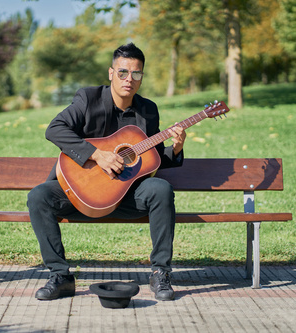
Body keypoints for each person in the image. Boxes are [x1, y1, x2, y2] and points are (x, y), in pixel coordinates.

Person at [27, 42, 187, 301]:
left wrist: (176, 149)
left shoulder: (148, 110)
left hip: (126, 195)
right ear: (111, 73)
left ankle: (160, 273)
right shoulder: (87, 99)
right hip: (81, 192)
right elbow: (54, 129)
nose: (129, 79)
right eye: (123, 72)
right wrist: (97, 154)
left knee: (161, 189)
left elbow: (151, 159)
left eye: (136, 74)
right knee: (39, 196)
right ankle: (60, 276)